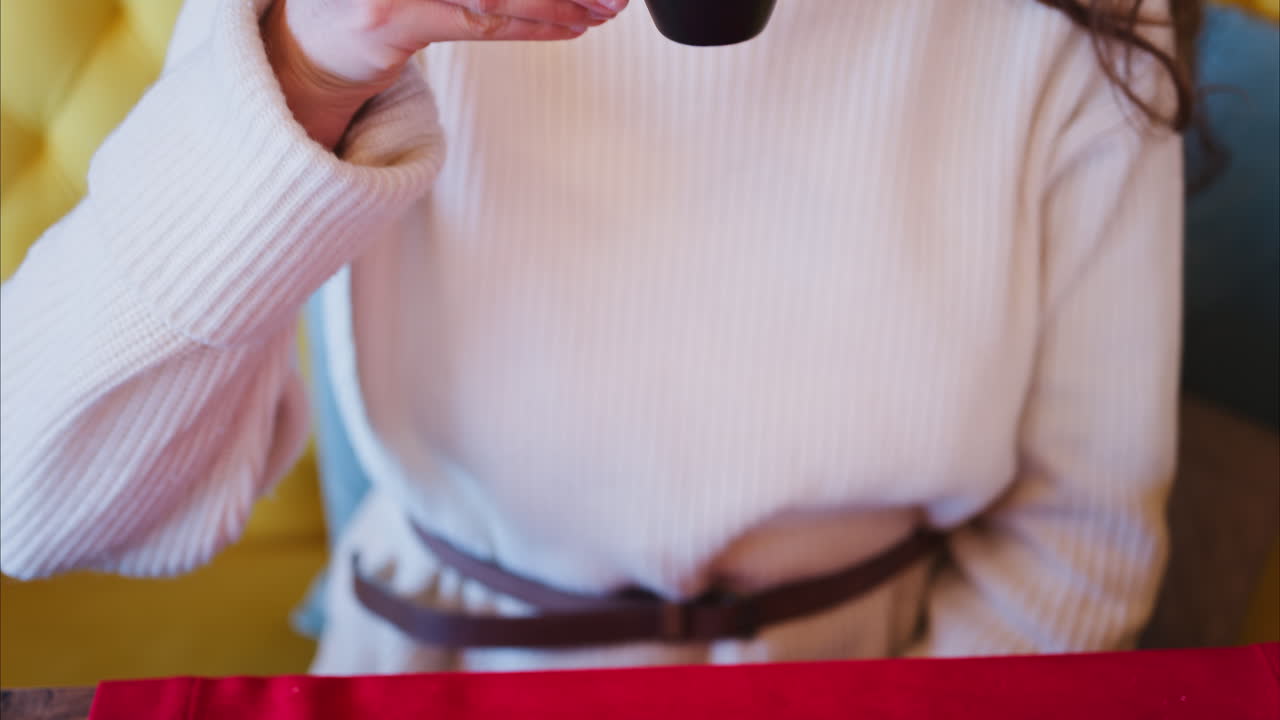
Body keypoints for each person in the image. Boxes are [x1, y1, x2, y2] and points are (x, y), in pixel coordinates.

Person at [0, 0, 1197, 674]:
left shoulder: (1077, 23)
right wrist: (312, 63)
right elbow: (35, 504)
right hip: (441, 676)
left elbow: (1075, 548)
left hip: (872, 679)